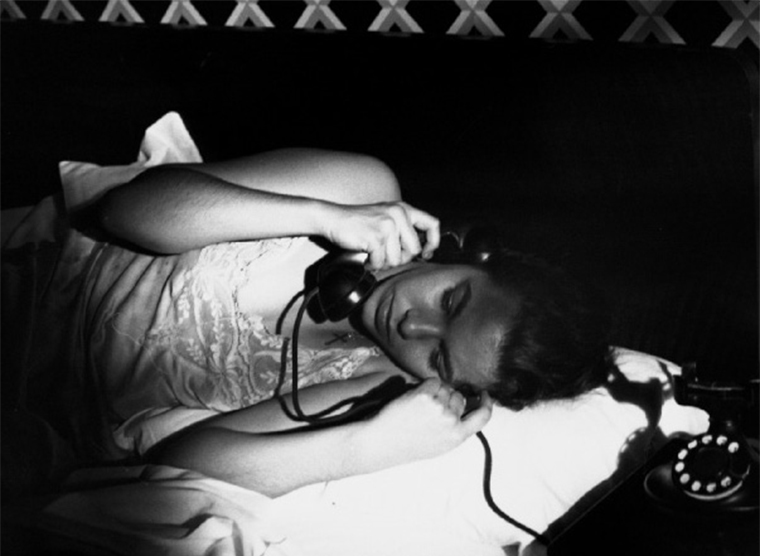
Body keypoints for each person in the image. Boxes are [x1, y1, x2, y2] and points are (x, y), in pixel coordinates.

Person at [6, 148, 613, 498]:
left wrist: (362, 446)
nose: (411, 326)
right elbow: (129, 209)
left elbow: (180, 465)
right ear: (470, 257)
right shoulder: (362, 189)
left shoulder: (376, 385)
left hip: (31, 418)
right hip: (31, 283)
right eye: (451, 301)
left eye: (440, 358)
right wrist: (322, 214)